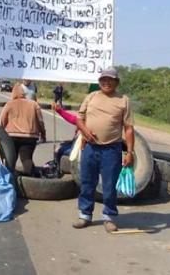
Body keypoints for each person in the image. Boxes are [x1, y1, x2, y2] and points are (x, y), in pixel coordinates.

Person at [73, 67, 134, 233]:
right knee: (87, 182)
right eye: (103, 80)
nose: (106, 83)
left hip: (111, 150)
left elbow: (128, 128)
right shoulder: (91, 97)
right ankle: (85, 214)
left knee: (109, 185)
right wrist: (84, 131)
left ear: (116, 82)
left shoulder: (124, 100)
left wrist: (129, 152)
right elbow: (79, 119)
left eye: (110, 80)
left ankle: (109, 216)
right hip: (90, 148)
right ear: (99, 82)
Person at [0, 84, 46, 176]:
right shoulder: (33, 104)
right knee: (26, 158)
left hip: (11, 136)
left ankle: (9, 177)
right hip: (30, 136)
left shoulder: (9, 104)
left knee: (11, 158)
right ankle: (29, 179)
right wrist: (43, 133)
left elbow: (1, 121)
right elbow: (40, 121)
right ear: (23, 93)